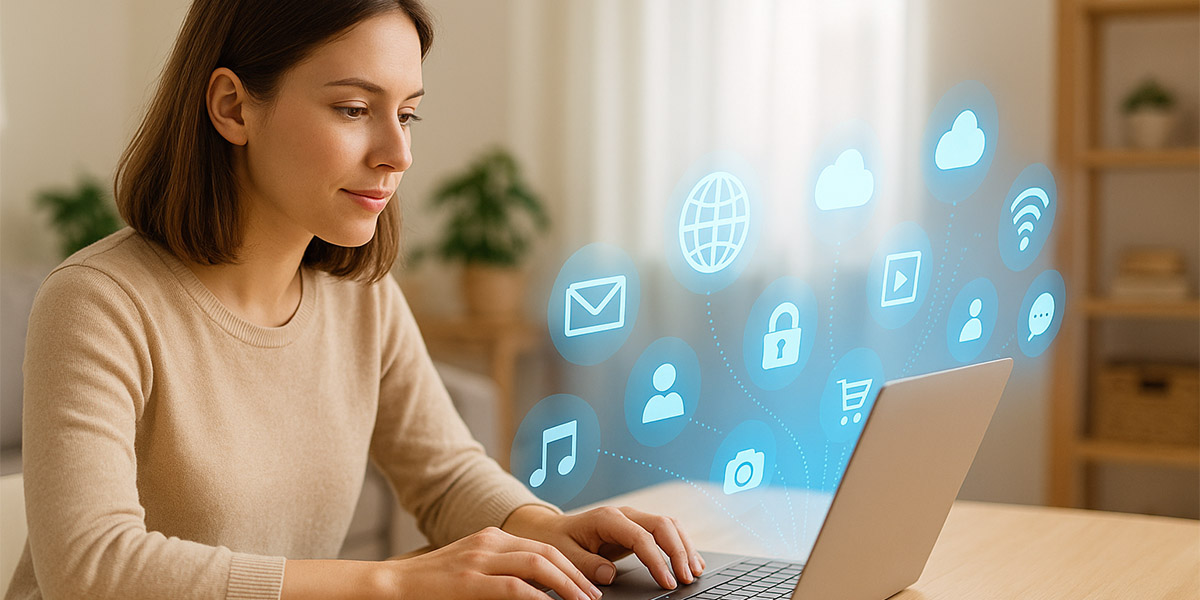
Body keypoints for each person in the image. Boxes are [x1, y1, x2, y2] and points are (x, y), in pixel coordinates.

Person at [6, 1, 704, 598]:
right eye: (353, 109)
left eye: (408, 115)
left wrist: (541, 526)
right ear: (232, 107)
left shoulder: (358, 297)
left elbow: (443, 473)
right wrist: (393, 582)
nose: (397, 153)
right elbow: (89, 568)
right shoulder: (98, 303)